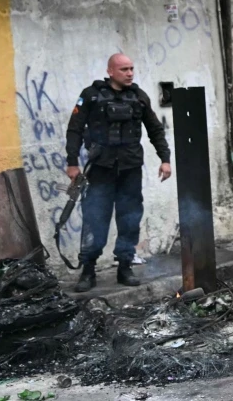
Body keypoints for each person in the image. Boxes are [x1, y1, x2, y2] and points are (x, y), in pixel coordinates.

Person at [65, 54, 171, 293]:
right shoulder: (90, 95)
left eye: (132, 68)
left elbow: (155, 129)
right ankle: (88, 270)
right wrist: (72, 163)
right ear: (111, 71)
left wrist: (165, 159)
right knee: (95, 219)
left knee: (130, 218)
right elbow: (74, 129)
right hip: (100, 169)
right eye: (124, 69)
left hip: (130, 169)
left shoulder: (139, 96)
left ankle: (125, 266)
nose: (130, 73)